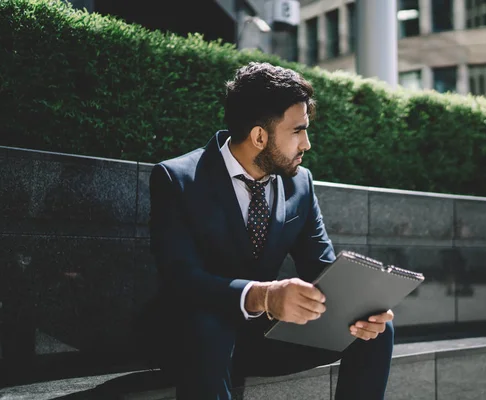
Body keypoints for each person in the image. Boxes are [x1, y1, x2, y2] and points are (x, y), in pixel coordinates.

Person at [142, 61, 395, 399]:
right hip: (191, 341)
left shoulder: (300, 183)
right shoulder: (178, 180)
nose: (307, 143)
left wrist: (360, 306)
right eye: (297, 130)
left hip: (262, 340)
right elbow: (182, 278)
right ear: (260, 135)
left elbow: (321, 269)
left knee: (375, 332)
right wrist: (264, 296)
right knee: (208, 327)